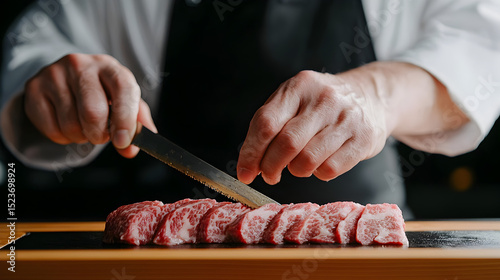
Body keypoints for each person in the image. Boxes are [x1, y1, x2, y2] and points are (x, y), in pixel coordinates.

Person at [1, 0, 499, 218]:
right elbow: (35, 45)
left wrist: (375, 92)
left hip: (367, 251)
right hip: (184, 254)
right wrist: (53, 89)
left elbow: (484, 47)